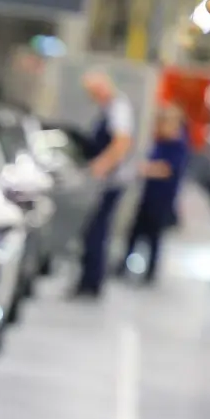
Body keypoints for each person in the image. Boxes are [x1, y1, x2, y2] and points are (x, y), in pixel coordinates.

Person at [75, 70, 136, 299]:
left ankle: (91, 283)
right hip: (107, 180)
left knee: (97, 231)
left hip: (113, 181)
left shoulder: (118, 108)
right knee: (93, 230)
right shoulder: (110, 107)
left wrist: (101, 165)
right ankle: (87, 281)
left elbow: (122, 143)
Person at [121, 104, 190, 284]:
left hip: (161, 199)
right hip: (149, 196)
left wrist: (145, 169)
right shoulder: (162, 142)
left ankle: (150, 273)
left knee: (153, 237)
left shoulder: (178, 146)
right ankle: (124, 266)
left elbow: (167, 169)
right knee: (135, 232)